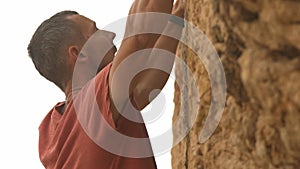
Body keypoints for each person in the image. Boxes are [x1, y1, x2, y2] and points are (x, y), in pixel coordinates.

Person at [27, 0, 184, 168]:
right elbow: (140, 37)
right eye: (95, 31)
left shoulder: (51, 129)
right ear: (79, 54)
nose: (110, 34)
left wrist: (177, 20)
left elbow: (145, 88)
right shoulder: (92, 103)